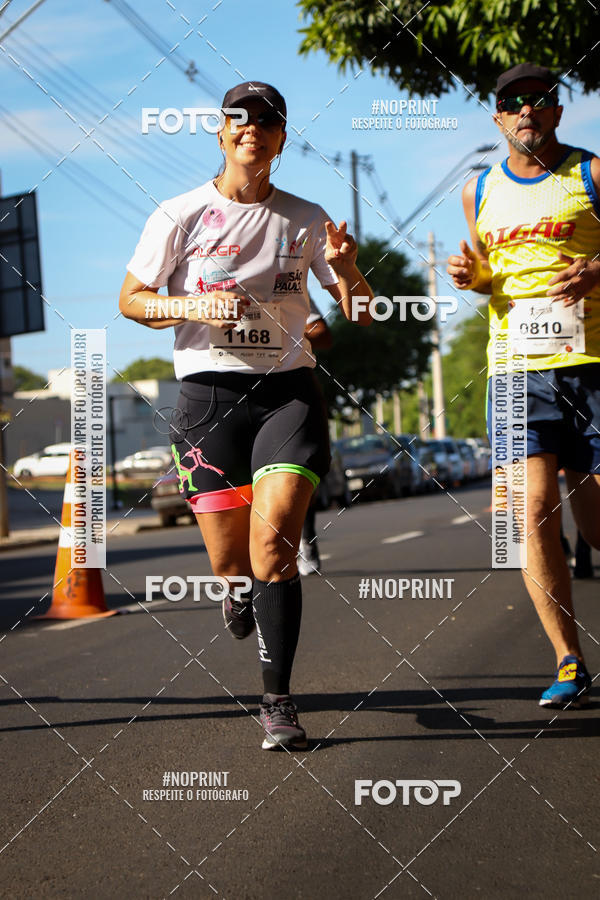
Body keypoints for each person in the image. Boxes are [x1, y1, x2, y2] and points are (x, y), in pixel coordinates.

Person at [119, 81, 373, 749]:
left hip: (287, 395)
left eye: (267, 120)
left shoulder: (307, 217)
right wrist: (191, 307)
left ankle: (278, 701)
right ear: (220, 131)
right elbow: (131, 300)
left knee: (275, 550)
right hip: (207, 401)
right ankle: (235, 591)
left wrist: (348, 271)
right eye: (239, 118)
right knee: (234, 561)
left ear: (282, 138)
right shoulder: (179, 215)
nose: (252, 129)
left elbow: (361, 310)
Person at [447, 62, 600, 708]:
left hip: (591, 367)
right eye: (513, 104)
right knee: (529, 515)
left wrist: (596, 270)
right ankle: (568, 660)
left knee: (596, 525)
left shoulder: (592, 173)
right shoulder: (478, 189)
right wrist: (469, 275)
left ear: (558, 112)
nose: (526, 112)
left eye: (539, 101)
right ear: (497, 117)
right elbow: (488, 273)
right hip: (515, 371)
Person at [298, 297, 332, 576]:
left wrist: (282, 333)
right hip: (228, 395)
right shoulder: (209, 279)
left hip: (289, 391)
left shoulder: (286, 272)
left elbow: (322, 333)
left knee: (297, 477)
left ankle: (305, 536)